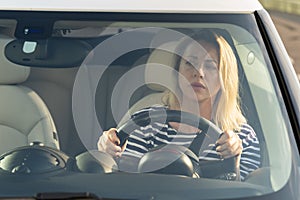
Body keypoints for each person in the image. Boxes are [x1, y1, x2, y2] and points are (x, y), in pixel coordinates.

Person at [97, 30, 261, 180]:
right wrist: (111, 153)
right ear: (177, 72)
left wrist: (234, 160)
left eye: (210, 66)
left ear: (224, 78)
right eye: (190, 63)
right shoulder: (146, 122)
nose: (199, 73)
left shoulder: (240, 137)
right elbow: (125, 182)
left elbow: (245, 194)